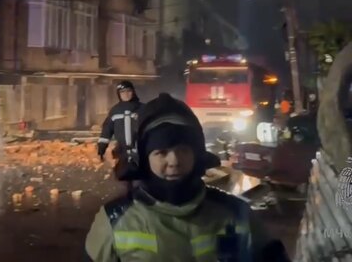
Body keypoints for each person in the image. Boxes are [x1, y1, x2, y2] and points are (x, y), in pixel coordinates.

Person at [85, 93, 291, 262]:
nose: (174, 161)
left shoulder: (237, 215)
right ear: (145, 159)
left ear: (197, 154)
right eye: (161, 152)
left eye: (183, 150)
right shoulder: (114, 220)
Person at [97, 81, 146, 162]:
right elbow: (106, 131)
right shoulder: (115, 111)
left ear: (133, 92)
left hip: (141, 153)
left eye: (128, 91)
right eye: (122, 92)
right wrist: (101, 149)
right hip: (121, 154)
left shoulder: (143, 109)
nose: (126, 94)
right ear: (119, 94)